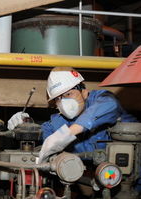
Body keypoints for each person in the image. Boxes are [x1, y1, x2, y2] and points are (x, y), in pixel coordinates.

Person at [8, 67, 141, 192]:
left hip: (136, 174)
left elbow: (110, 105)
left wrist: (69, 132)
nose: (63, 102)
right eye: (58, 99)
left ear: (84, 93)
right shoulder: (58, 121)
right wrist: (23, 124)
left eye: (68, 94)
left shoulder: (101, 99)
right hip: (108, 178)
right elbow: (39, 134)